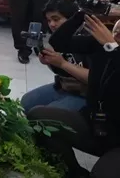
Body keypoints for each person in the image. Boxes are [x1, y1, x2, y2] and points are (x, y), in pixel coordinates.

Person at [28, 13, 120, 177]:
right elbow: (59, 42)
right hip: (95, 123)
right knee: (38, 117)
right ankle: (74, 173)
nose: (117, 33)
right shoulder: (102, 46)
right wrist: (81, 14)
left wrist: (112, 48)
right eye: (117, 29)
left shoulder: (110, 48)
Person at [20, 0, 88, 113]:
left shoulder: (89, 38)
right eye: (49, 20)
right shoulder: (58, 38)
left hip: (86, 94)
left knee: (44, 115)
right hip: (64, 86)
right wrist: (50, 62)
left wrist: (63, 63)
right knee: (25, 102)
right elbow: (62, 70)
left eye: (56, 19)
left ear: (73, 18)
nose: (52, 24)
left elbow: (95, 78)